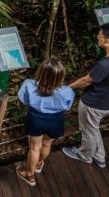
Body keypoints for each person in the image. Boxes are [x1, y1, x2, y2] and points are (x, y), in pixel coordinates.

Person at [63, 22, 109, 169]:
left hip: (93, 104)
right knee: (93, 128)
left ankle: (85, 155)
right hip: (107, 102)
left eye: (99, 36)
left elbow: (86, 81)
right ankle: (100, 157)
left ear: (107, 41)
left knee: (88, 131)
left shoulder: (105, 66)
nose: (97, 37)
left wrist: (67, 87)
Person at [15, 57, 73, 187]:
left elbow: (23, 99)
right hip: (56, 120)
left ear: (41, 72)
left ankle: (29, 175)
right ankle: (38, 163)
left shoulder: (29, 85)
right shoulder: (67, 91)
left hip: (36, 119)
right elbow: (68, 107)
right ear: (60, 76)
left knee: (35, 147)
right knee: (46, 145)